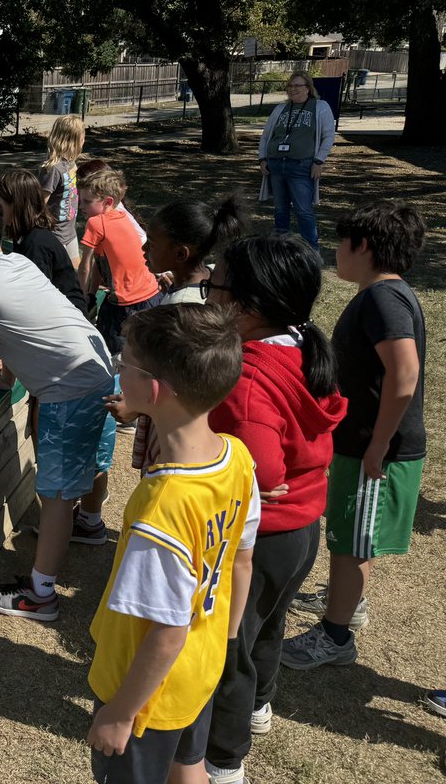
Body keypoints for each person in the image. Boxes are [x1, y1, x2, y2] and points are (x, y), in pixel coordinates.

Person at [87, 303, 260, 784]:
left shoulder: (160, 508)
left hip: (144, 693)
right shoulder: (237, 458)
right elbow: (241, 561)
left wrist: (121, 712)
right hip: (200, 669)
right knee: (189, 770)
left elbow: (166, 632)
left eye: (125, 361)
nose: (119, 366)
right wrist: (222, 645)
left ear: (154, 389)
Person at [199, 235, 347, 784]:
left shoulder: (246, 376)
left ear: (249, 306)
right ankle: (260, 704)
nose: (208, 294)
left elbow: (259, 468)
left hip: (259, 538)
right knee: (267, 626)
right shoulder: (299, 347)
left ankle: (222, 758)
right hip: (301, 529)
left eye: (216, 287)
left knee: (228, 644)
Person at [0, 195, 114, 622]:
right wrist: (9, 377)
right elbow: (29, 326)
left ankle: (40, 594)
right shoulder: (19, 262)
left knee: (54, 496)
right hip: (101, 369)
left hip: (67, 392)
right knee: (92, 463)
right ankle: (90, 523)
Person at [282, 202, 426, 670]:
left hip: (373, 447)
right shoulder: (383, 293)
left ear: (363, 246)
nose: (335, 253)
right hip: (363, 442)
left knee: (351, 539)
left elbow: (404, 375)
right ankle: (348, 602)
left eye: (341, 244)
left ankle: (336, 634)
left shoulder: (384, 299)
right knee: (352, 535)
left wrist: (378, 445)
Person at [0, 169, 113, 545]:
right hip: (86, 352)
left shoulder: (33, 247)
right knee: (93, 454)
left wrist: (9, 369)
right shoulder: (34, 239)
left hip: (63, 357)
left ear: (16, 205)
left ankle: (50, 558)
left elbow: (30, 316)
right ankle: (89, 520)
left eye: (0, 202)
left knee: (57, 464)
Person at [77, 167, 162, 358]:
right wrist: (91, 293)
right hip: (151, 295)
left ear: (107, 202)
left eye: (87, 202)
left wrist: (81, 298)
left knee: (117, 354)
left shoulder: (96, 223)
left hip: (126, 304)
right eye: (80, 200)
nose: (81, 206)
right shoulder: (122, 216)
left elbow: (85, 266)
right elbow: (102, 260)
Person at [257, 72, 335, 248]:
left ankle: (312, 250)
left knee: (303, 210)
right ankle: (281, 248)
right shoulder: (280, 109)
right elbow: (266, 135)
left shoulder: (320, 107)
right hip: (277, 165)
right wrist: (262, 159)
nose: (293, 90)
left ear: (308, 88)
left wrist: (319, 161)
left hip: (301, 166)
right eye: (290, 86)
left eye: (298, 86)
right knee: (280, 210)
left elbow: (328, 136)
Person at [0, 169, 85, 312]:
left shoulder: (36, 244)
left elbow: (39, 298)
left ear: (16, 205)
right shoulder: (23, 235)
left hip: (68, 317)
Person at [143, 196, 248, 305]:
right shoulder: (215, 272)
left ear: (180, 254)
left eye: (150, 244)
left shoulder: (180, 307)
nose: (143, 247)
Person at [38, 115, 86, 267]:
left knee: (76, 274)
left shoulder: (71, 165)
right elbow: (39, 204)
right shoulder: (53, 169)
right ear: (73, 139)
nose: (84, 140)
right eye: (83, 137)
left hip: (69, 232)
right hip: (55, 234)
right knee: (60, 278)